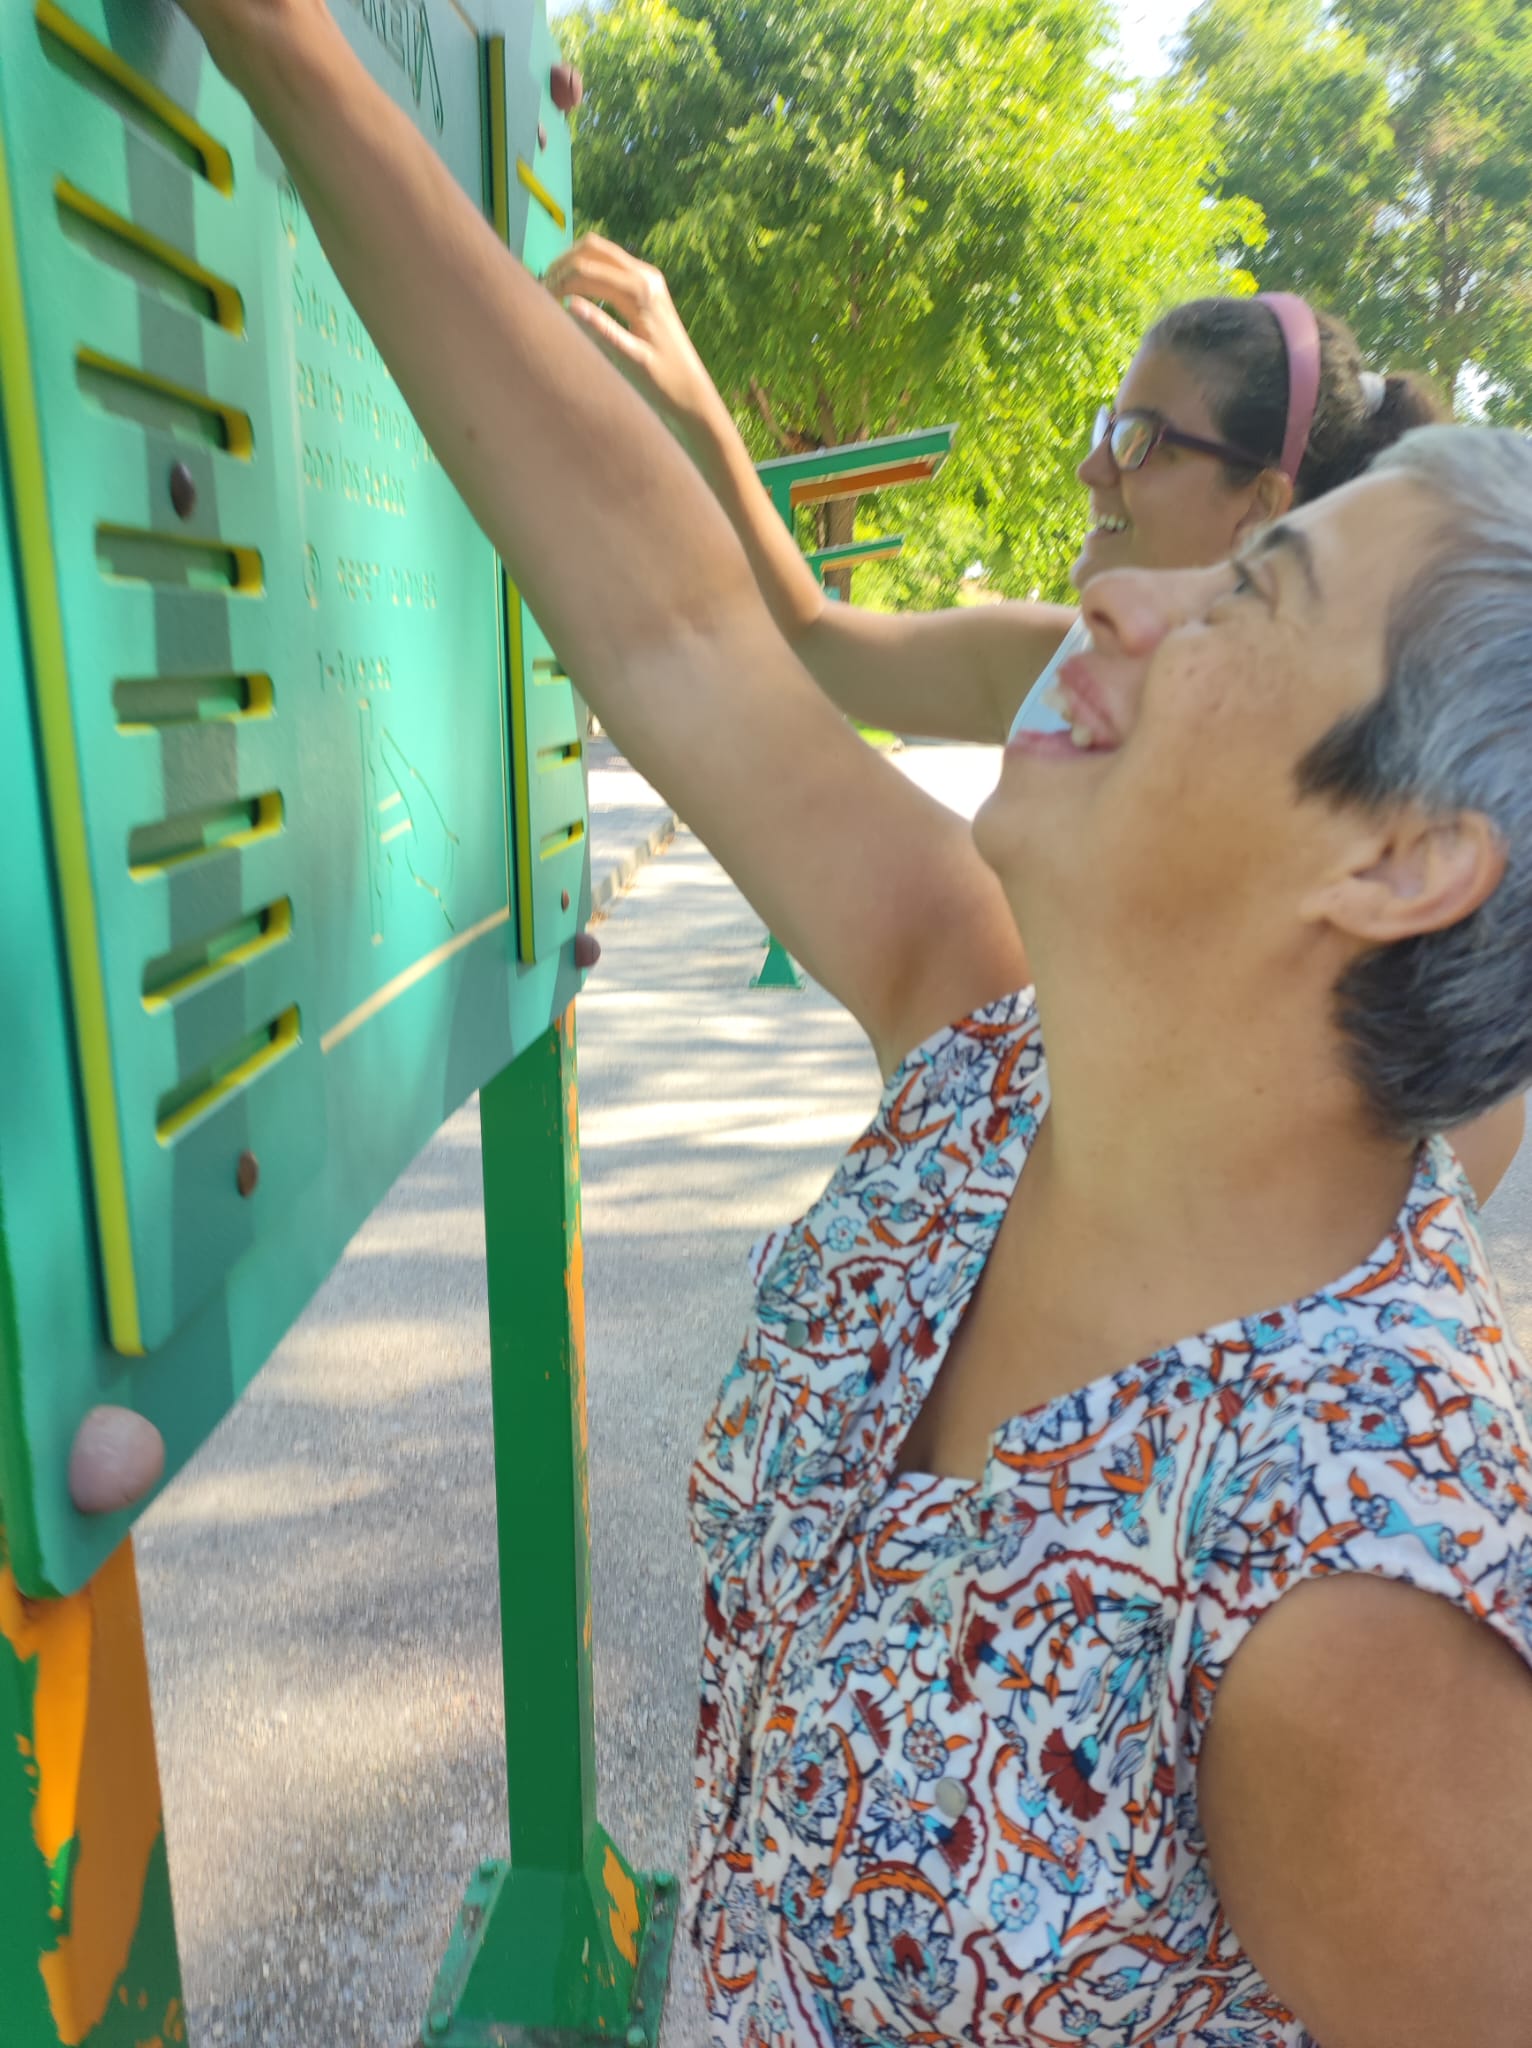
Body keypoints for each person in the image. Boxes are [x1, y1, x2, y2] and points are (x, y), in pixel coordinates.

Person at [170, 3, 1532, 2041]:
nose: (1110, 594)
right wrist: (287, 53)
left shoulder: (1359, 1580)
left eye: (1243, 592)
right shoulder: (999, 1067)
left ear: (1402, 859)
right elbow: (677, 622)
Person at [547, 236, 1527, 1201]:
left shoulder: (1369, 807)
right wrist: (695, 406)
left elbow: (1452, 1157)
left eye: (1138, 440)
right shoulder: (1060, 662)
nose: (1088, 468)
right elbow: (808, 637)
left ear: (1259, 504)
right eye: (1107, 425)